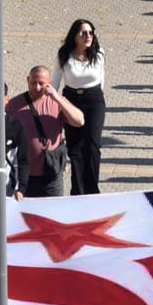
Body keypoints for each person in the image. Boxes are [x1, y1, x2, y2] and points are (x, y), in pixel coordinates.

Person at [7, 66, 86, 197]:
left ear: (50, 83)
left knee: (54, 213)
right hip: (23, 175)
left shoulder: (56, 102)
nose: (37, 87)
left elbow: (80, 121)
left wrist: (58, 99)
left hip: (52, 173)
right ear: (28, 80)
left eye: (41, 83)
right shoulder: (15, 104)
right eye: (33, 82)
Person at [54, 19, 108, 195]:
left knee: (92, 146)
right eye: (83, 33)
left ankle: (92, 190)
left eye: (91, 32)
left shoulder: (99, 53)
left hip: (94, 100)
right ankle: (77, 190)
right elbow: (55, 81)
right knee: (75, 148)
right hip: (71, 100)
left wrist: (99, 98)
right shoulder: (64, 55)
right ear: (74, 36)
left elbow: (101, 78)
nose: (88, 36)